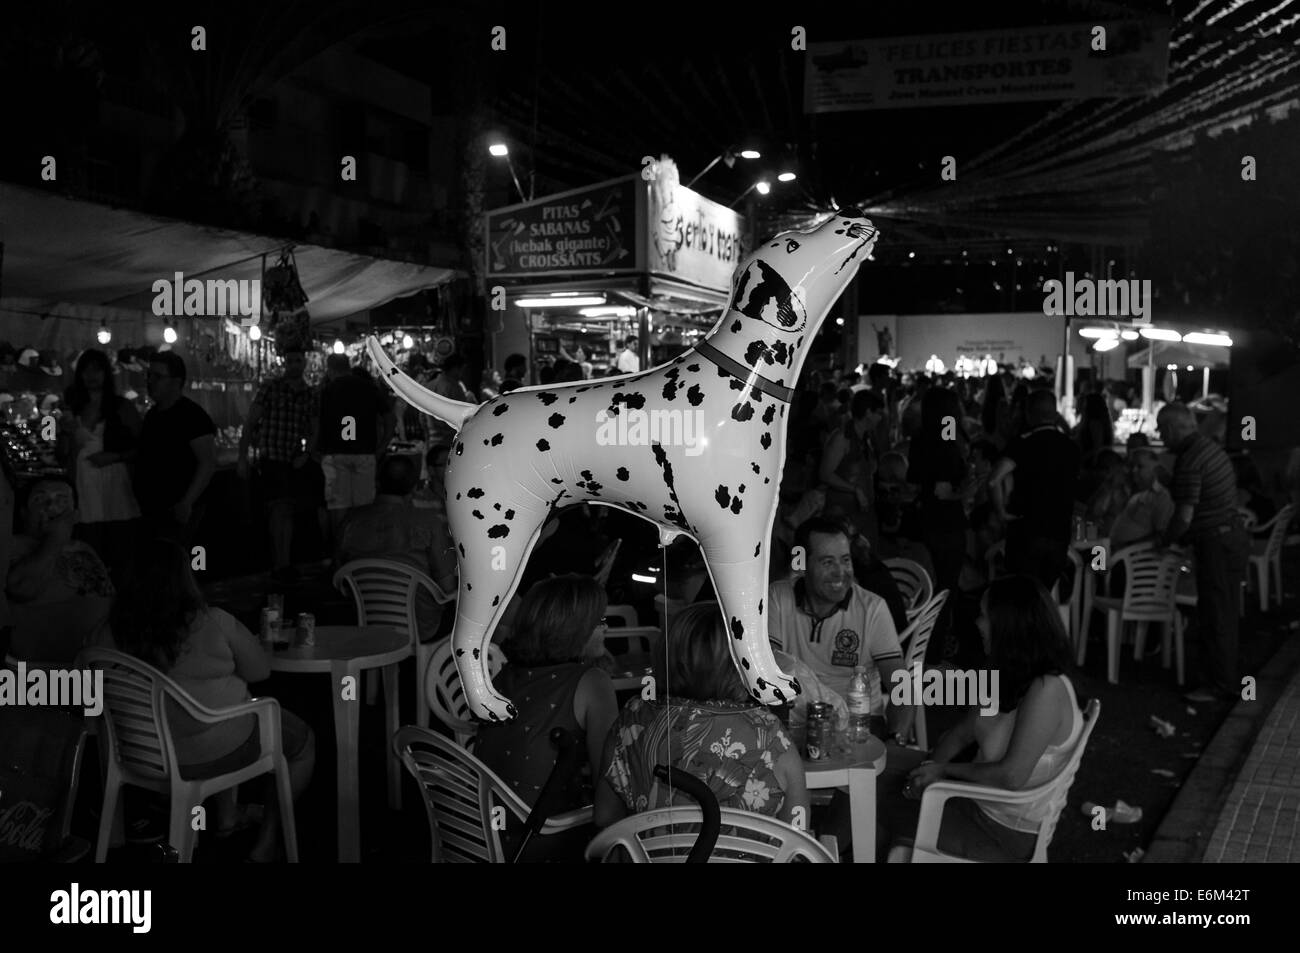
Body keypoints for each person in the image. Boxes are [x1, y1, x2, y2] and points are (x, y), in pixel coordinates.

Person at [111, 539, 314, 862]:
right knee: (300, 743)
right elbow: (260, 671)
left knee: (214, 709)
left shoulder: (107, 631)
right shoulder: (213, 620)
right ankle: (267, 842)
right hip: (210, 750)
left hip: (140, 752)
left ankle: (227, 817)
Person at [878, 576, 1083, 862]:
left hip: (1000, 833)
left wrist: (944, 772)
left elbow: (1011, 776)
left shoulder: (1047, 689)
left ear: (1009, 626)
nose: (977, 623)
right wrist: (929, 768)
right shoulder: (1006, 671)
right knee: (875, 764)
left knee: (875, 803)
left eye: (985, 616)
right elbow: (962, 733)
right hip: (967, 799)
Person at [594, 602, 810, 828]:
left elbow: (605, 819)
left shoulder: (632, 718)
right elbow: (798, 830)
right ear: (741, 664)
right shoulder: (768, 732)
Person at [473, 575, 618, 826]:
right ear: (574, 629)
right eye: (598, 621)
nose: (606, 627)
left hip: (480, 832)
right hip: (540, 836)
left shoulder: (505, 675)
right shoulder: (593, 683)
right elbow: (608, 787)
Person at [767, 516, 910, 741]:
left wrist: (895, 739)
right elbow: (766, 669)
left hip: (859, 726)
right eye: (827, 562)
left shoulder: (872, 608)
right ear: (802, 564)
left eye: (845, 560)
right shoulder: (777, 598)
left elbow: (902, 689)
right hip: (792, 725)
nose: (840, 572)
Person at [1157, 402, 1248, 703]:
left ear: (1172, 428)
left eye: (1161, 429)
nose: (1160, 435)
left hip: (1216, 543)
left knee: (1216, 614)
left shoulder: (1191, 459)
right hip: (1229, 537)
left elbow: (1183, 516)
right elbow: (1198, 493)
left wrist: (1166, 540)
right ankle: (1225, 679)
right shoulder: (1208, 448)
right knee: (1224, 611)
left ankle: (1219, 686)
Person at [337, 454, 457, 640]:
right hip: (421, 627)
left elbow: (340, 580)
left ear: (377, 482)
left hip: (365, 623)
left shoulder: (351, 521)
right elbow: (448, 587)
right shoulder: (428, 523)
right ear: (413, 487)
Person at [5, 477, 114, 664]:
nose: (51, 506)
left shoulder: (83, 548)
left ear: (76, 514)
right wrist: (58, 536)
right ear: (23, 513)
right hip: (48, 676)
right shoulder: (12, 547)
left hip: (104, 669)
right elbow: (22, 587)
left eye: (62, 499)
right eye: (40, 499)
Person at [58, 349, 142, 580]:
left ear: (106, 373)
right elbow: (61, 453)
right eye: (86, 370)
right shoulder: (73, 407)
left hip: (115, 483)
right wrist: (65, 434)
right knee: (89, 552)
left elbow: (142, 446)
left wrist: (114, 456)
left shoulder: (121, 407)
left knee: (119, 552)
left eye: (96, 369)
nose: (91, 375)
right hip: (84, 485)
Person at [238, 347, 321, 577]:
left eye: (298, 360)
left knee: (287, 509)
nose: (294, 364)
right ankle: (280, 562)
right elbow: (251, 421)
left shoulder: (309, 394)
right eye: (291, 360)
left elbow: (315, 428)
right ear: (285, 363)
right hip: (272, 454)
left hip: (292, 457)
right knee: (279, 508)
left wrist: (306, 453)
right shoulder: (271, 387)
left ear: (304, 363)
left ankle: (283, 561)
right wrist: (242, 457)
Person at [989, 389, 1081, 593]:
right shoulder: (1071, 446)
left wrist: (1001, 512)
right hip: (1059, 533)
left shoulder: (1023, 442)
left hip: (1026, 530)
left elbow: (994, 480)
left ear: (1029, 414)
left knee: (1021, 594)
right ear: (1055, 414)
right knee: (1042, 595)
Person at [134, 352, 217, 544]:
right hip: (156, 506)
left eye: (158, 377)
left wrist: (187, 502)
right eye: (149, 376)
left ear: (176, 381)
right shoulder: (153, 415)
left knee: (183, 560)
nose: (150, 382)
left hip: (181, 508)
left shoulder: (192, 416)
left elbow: (208, 462)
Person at [317, 354, 394, 542]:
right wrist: (381, 446)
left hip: (336, 453)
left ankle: (340, 555)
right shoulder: (369, 388)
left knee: (339, 508)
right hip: (364, 453)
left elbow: (315, 421)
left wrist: (315, 449)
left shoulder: (326, 389)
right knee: (363, 508)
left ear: (329, 369)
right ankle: (361, 551)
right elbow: (390, 419)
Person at [906, 386, 969, 599]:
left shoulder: (919, 436)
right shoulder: (947, 432)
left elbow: (914, 480)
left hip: (925, 518)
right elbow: (943, 488)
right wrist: (966, 491)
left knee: (933, 583)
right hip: (946, 520)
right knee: (947, 584)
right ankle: (942, 629)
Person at [820, 389, 884, 543]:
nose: (880, 418)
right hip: (842, 514)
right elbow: (824, 474)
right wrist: (855, 489)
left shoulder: (866, 438)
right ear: (868, 412)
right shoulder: (842, 438)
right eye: (878, 413)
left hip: (863, 512)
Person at [1109, 448, 1175, 551]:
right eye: (1132, 466)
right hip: (1111, 552)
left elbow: (1161, 536)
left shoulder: (1161, 497)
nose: (1134, 470)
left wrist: (1127, 547)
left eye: (1140, 466)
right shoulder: (1129, 491)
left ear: (1154, 470)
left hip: (1134, 560)